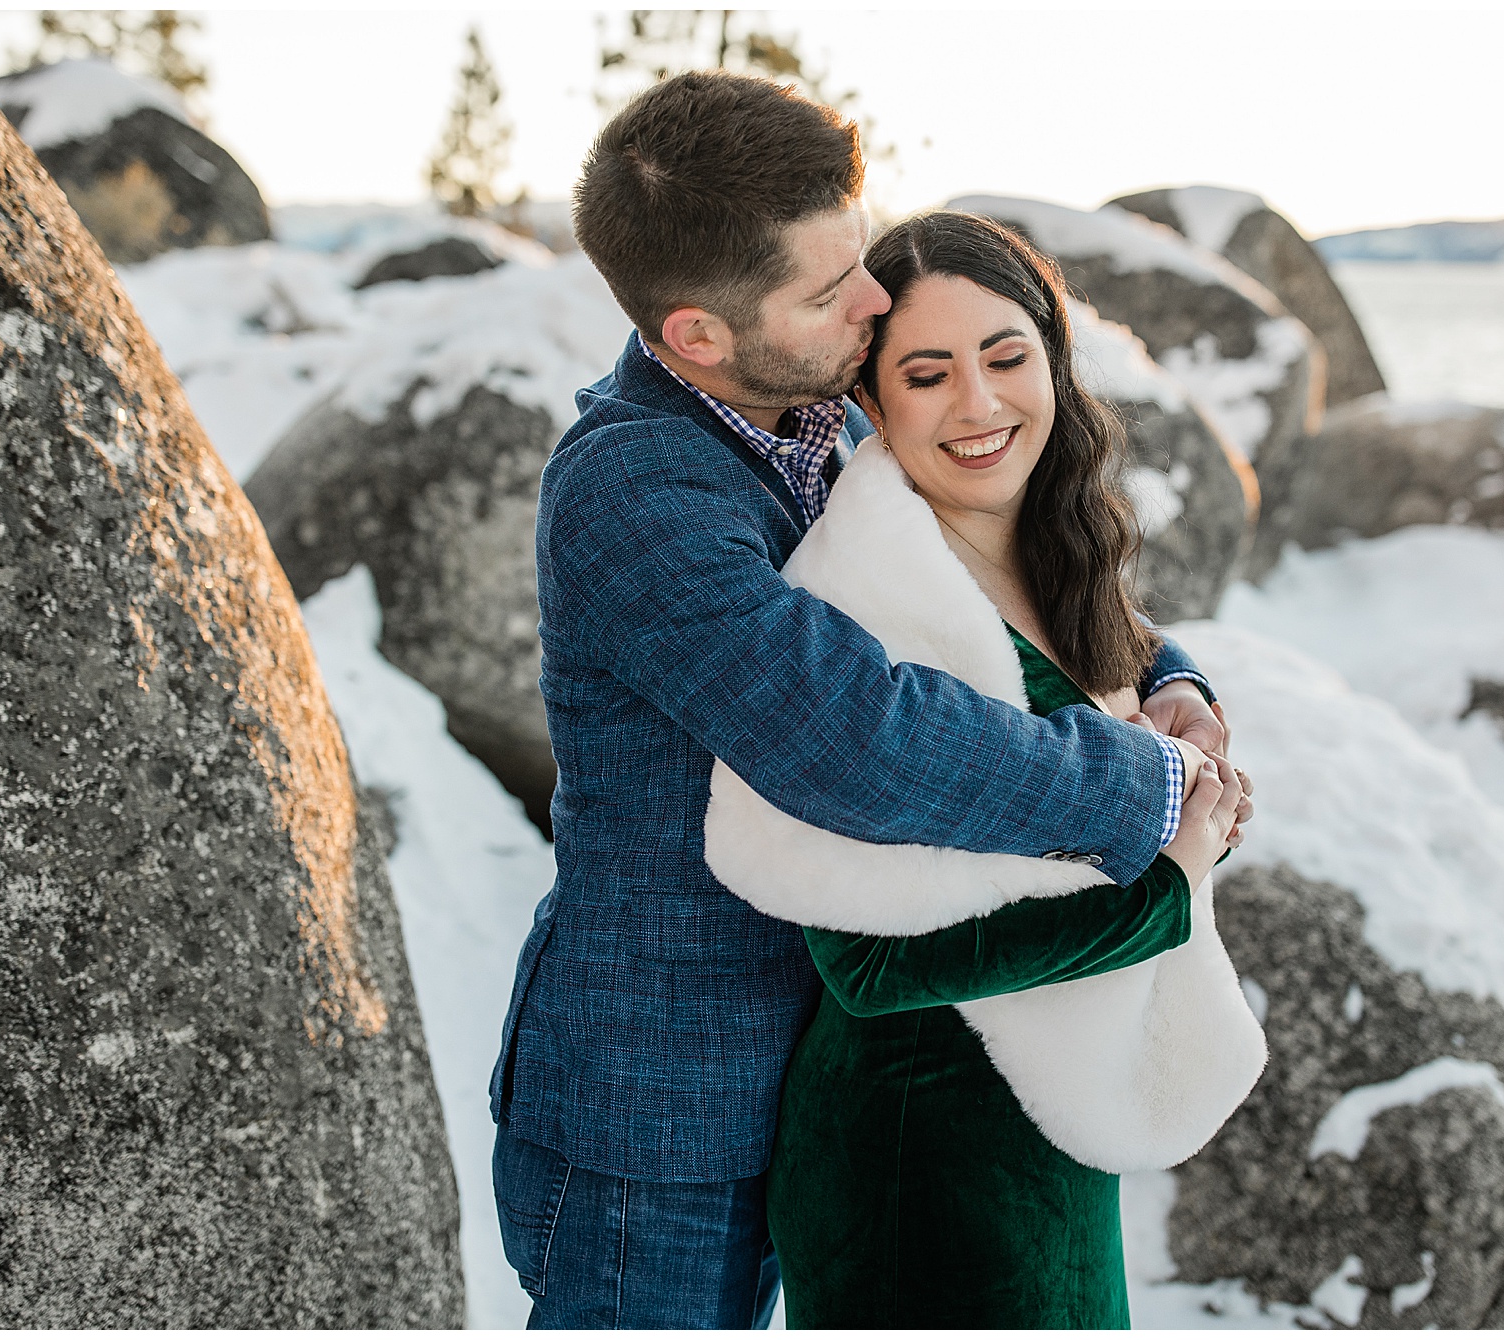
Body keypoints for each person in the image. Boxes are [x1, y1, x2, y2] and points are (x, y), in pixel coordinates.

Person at [487, 72, 1245, 1329]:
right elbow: (852, 731)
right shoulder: (635, 492)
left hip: (814, 1068)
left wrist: (1169, 683)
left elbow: (991, 575)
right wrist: (1139, 786)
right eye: (832, 289)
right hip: (659, 1115)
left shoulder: (816, 412)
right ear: (697, 336)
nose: (876, 301)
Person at [749, 210, 1256, 1329]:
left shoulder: (1049, 542)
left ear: (1051, 363)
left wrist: (1177, 693)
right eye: (926, 374)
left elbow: (1102, 687)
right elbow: (867, 965)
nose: (978, 406)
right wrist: (1167, 881)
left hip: (1052, 1120)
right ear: (870, 404)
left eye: (1005, 357)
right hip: (917, 1147)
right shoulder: (860, 604)